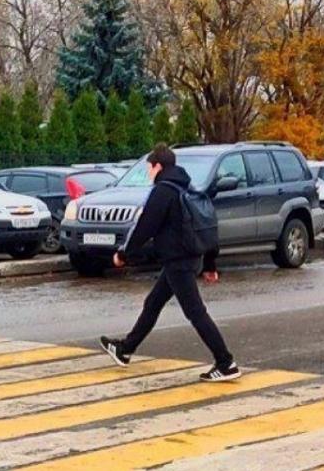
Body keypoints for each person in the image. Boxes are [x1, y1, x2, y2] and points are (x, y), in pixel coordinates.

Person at [100, 144, 240, 382]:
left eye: (149, 169)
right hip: (187, 258)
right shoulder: (187, 187)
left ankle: (226, 362)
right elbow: (206, 226)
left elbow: (145, 226)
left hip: (179, 261)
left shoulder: (163, 191)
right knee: (153, 302)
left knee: (196, 313)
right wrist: (209, 263)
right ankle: (125, 350)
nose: (148, 174)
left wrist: (124, 254)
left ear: (158, 166)